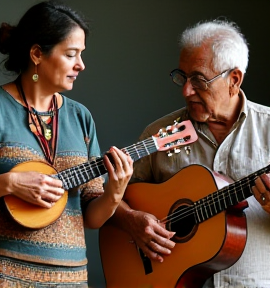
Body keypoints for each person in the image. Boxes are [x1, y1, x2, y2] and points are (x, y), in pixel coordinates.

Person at [0, 1, 133, 287]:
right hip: (2, 280)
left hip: (70, 280)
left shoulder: (80, 117)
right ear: (37, 54)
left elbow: (91, 216)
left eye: (81, 55)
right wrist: (10, 183)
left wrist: (114, 192)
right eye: (71, 54)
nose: (81, 65)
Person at [110, 19, 270, 287]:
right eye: (182, 77)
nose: (186, 90)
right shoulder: (159, 133)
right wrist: (131, 220)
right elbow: (109, 199)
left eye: (199, 79)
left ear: (234, 80)